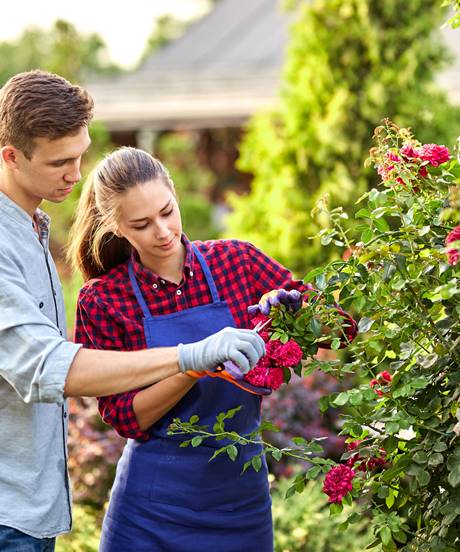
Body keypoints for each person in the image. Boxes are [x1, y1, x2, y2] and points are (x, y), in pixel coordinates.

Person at [0, 70, 265, 552]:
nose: (77, 174)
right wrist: (191, 359)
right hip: (16, 511)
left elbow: (325, 326)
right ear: (11, 156)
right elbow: (49, 366)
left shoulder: (32, 230)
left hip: (31, 510)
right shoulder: (11, 248)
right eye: (61, 161)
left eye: (80, 155)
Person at [68, 147, 350, 552]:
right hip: (151, 512)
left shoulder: (237, 262)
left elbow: (341, 329)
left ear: (175, 195)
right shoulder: (103, 301)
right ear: (115, 227)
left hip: (240, 502)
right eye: (142, 224)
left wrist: (296, 313)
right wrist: (192, 368)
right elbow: (126, 418)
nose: (163, 231)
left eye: (167, 212)